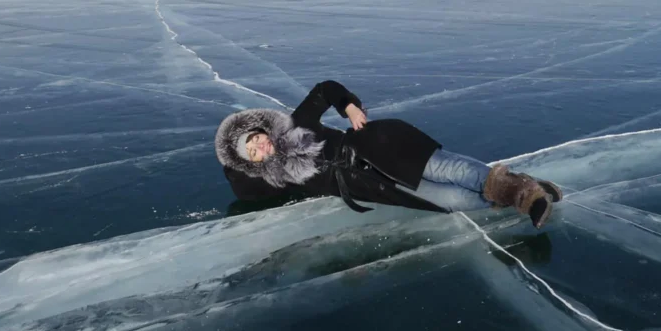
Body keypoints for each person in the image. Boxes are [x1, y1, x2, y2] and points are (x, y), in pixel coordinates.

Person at [215, 80, 562, 228]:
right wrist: (230, 163)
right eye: (252, 152)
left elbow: (325, 89)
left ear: (261, 130)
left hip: (381, 145)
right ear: (251, 162)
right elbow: (244, 192)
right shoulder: (279, 179)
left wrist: (348, 107)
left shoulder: (295, 122)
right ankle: (527, 187)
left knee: (451, 170)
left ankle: (527, 196)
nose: (259, 146)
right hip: (372, 185)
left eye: (255, 138)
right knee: (453, 201)